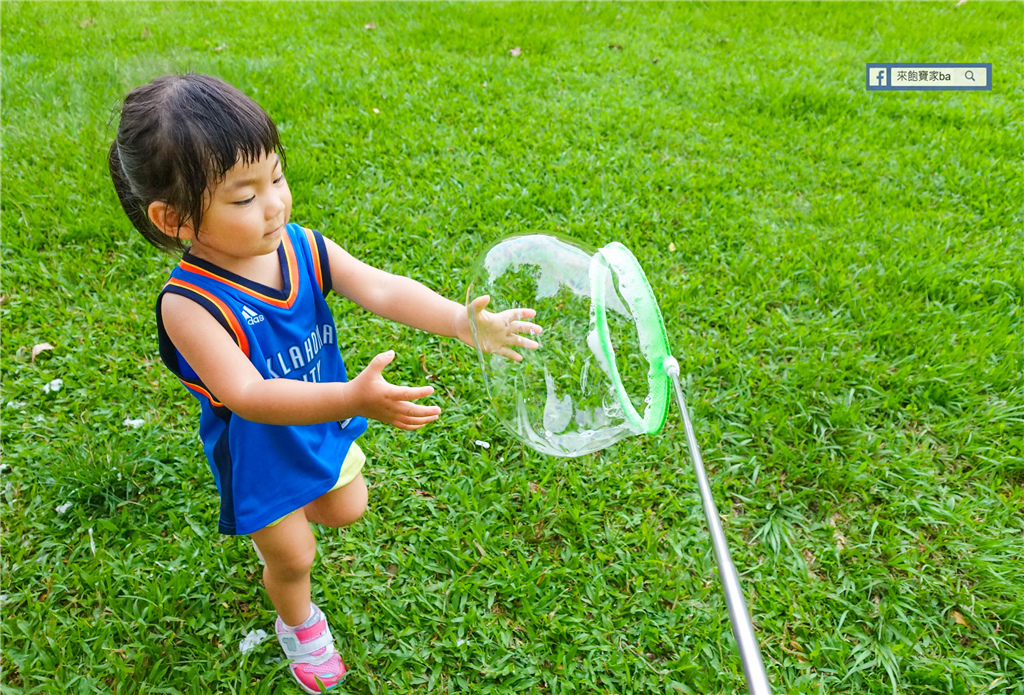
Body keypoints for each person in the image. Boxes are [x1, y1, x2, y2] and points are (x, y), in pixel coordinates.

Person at [108, 73, 541, 694]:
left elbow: (381, 288)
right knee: (295, 555)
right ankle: (300, 621)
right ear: (173, 218)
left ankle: (289, 531)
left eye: (276, 178)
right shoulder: (189, 306)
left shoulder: (303, 248)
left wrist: (459, 322)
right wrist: (354, 398)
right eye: (243, 196)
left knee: (346, 507)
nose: (275, 204)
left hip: (321, 424)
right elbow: (249, 396)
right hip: (259, 449)